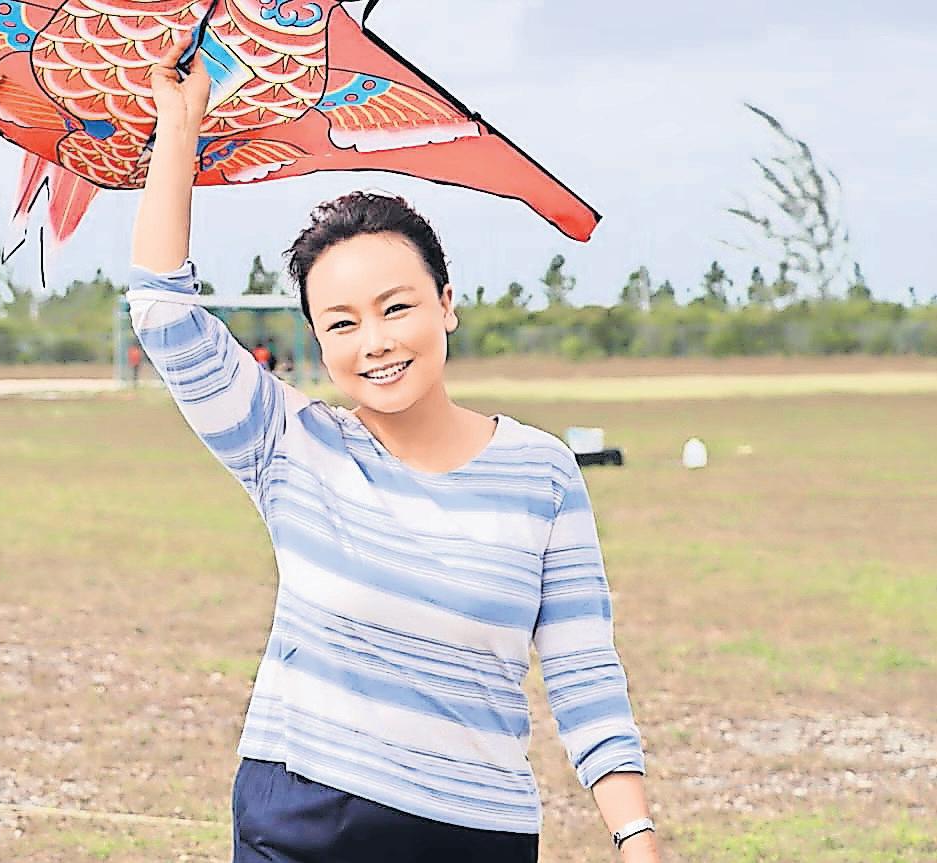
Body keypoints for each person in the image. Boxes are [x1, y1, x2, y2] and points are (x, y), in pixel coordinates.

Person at [127, 38, 661, 863]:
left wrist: (634, 835)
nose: (373, 341)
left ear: (445, 304)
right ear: (316, 340)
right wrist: (179, 125)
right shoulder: (289, 443)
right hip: (299, 818)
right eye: (341, 322)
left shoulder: (541, 471)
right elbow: (163, 313)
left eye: (396, 307)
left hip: (474, 833)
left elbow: (582, 669)